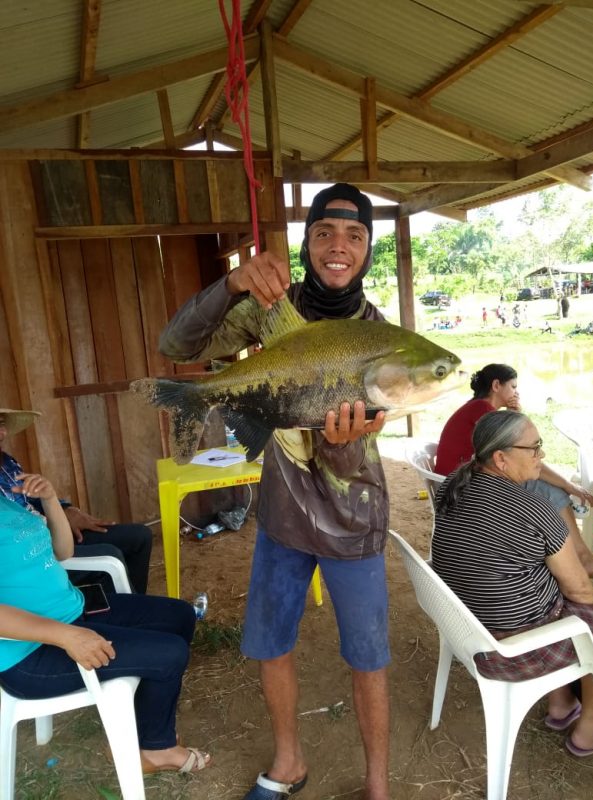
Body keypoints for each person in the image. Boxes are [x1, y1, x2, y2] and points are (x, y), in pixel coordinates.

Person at [159, 183, 390, 800]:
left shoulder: (379, 339)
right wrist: (231, 284)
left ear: (367, 249)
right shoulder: (269, 311)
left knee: (368, 655)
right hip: (284, 515)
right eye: (324, 233)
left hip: (354, 517)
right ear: (308, 242)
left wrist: (341, 443)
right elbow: (176, 346)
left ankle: (377, 785)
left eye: (355, 235)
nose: (338, 246)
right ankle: (288, 762)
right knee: (269, 643)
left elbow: (358, 446)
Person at [0, 471, 210, 773]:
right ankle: (155, 749)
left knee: (179, 616)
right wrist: (66, 636)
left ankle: (141, 723)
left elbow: (64, 551)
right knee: (170, 654)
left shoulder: (6, 500)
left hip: (73, 612)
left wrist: (50, 499)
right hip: (31, 654)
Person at [432, 411, 593, 757]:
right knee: (589, 615)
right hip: (512, 650)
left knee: (538, 590)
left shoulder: (451, 485)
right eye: (534, 448)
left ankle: (562, 704)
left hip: (467, 628)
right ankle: (592, 728)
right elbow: (580, 591)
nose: (542, 455)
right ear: (501, 458)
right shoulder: (535, 510)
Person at [434, 365, 593, 578]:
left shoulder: (479, 409)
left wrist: (514, 416)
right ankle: (581, 557)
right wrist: (568, 485)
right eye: (513, 387)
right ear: (496, 385)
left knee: (544, 484)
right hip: (467, 484)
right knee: (549, 489)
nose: (516, 392)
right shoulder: (483, 411)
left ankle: (576, 555)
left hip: (459, 480)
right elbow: (522, 455)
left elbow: (516, 449)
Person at [0, 408, 153, 593]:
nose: (3, 432)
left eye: (2, 424)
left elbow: (29, 498)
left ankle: (134, 602)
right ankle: (118, 608)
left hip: (53, 531)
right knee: (110, 558)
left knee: (139, 537)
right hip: (34, 553)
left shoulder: (7, 463)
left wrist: (65, 510)